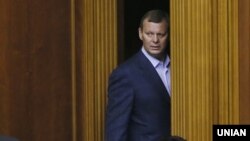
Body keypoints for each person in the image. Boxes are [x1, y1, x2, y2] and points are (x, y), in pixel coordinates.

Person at [105, 9, 171, 141]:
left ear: (168, 35)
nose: (155, 40)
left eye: (160, 34)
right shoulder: (125, 74)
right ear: (140, 34)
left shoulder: (181, 68)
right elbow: (115, 132)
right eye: (149, 34)